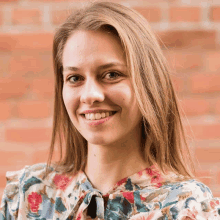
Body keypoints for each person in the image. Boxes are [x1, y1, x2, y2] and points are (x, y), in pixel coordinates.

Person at [0, 1, 220, 220]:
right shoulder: (26, 195)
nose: (89, 95)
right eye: (75, 78)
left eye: (111, 74)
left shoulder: (187, 207)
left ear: (148, 82)